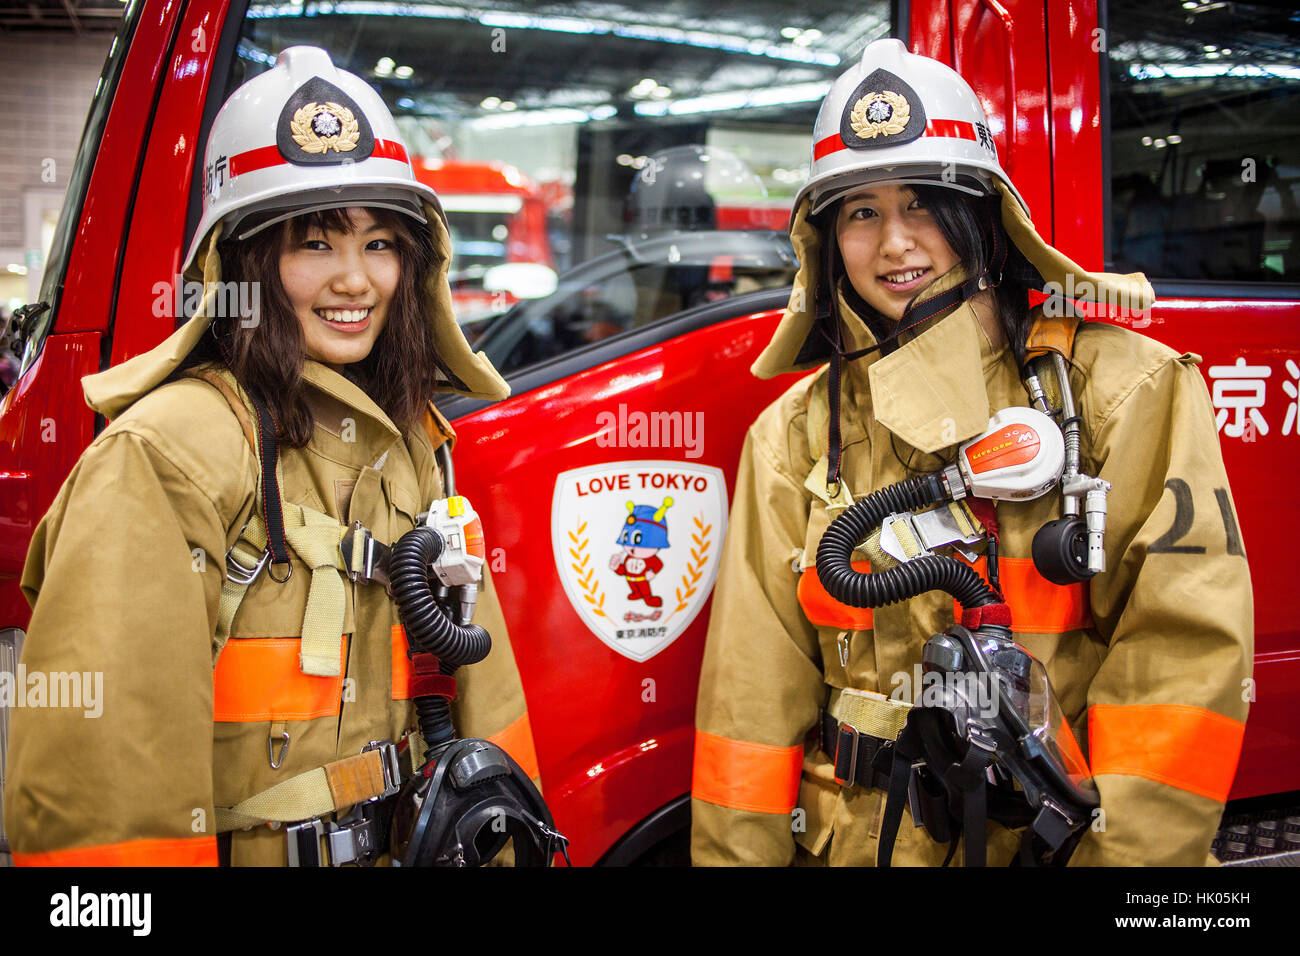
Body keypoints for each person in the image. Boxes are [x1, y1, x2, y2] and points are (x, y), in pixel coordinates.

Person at [690, 38, 1253, 866]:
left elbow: (1184, 665)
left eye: (923, 203)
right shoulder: (794, 437)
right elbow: (747, 702)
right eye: (861, 212)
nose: (895, 246)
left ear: (984, 217)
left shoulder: (1122, 391)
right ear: (826, 241)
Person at [3, 47, 541, 866]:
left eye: (382, 243)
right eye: (316, 244)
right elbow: (109, 781)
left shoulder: (410, 443)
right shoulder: (167, 454)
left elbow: (484, 691)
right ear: (245, 264)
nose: (357, 280)